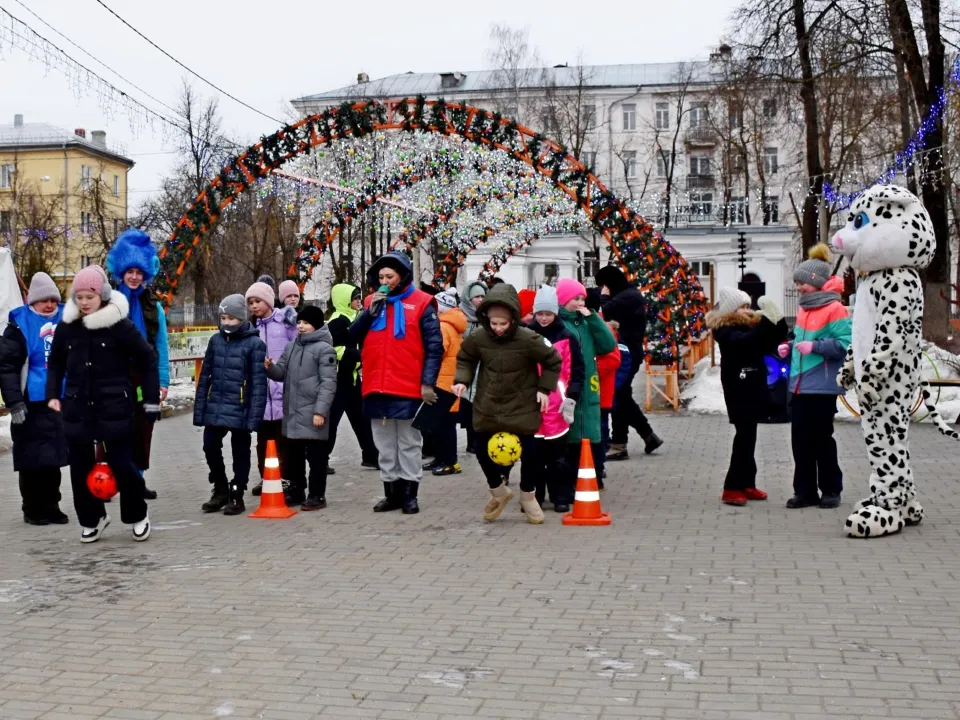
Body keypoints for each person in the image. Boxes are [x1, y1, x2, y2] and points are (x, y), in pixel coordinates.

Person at [45, 265, 159, 543]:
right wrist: (53, 394)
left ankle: (137, 515)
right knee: (79, 467)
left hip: (114, 406)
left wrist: (152, 400)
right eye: (79, 297)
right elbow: (56, 361)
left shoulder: (119, 325)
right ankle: (92, 518)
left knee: (123, 464)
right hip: (77, 406)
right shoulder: (67, 327)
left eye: (89, 297)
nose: (83, 303)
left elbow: (148, 359)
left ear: (103, 296)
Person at [453, 283, 562, 524]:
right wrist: (462, 380)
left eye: (504, 324)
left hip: (522, 404)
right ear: (487, 319)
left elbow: (553, 360)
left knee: (531, 454)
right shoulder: (479, 337)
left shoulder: (529, 338)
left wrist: (545, 388)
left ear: (513, 318)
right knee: (480, 449)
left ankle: (528, 496)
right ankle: (499, 492)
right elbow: (465, 358)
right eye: (494, 324)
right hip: (488, 403)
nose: (499, 329)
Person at [350, 251, 443, 514]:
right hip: (376, 385)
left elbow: (435, 347)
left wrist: (428, 383)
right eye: (381, 276)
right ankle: (390, 493)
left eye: (390, 276)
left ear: (402, 276)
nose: (385, 281)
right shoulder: (371, 302)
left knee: (409, 443)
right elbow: (352, 335)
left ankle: (410, 494)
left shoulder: (423, 303)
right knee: (384, 445)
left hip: (409, 386)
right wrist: (369, 312)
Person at [778, 244, 852, 510]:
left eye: (802, 284)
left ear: (817, 283)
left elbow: (845, 344)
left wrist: (816, 347)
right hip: (799, 386)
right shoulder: (803, 309)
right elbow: (799, 339)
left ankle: (831, 489)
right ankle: (804, 491)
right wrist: (789, 347)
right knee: (800, 441)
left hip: (821, 386)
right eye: (796, 283)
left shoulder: (835, 309)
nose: (798, 288)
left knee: (822, 440)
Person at [105, 228, 170, 501]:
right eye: (130, 271)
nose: (134, 277)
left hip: (143, 375)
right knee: (112, 428)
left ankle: (137, 480)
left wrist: (163, 380)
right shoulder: (107, 301)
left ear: (146, 273)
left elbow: (161, 344)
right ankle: (110, 479)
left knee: (143, 428)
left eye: (139, 272)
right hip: (113, 374)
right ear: (121, 270)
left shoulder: (152, 305)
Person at [706, 288, 787, 506]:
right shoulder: (725, 329)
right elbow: (747, 342)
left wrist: (777, 320)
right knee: (744, 436)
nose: (747, 310)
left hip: (753, 385)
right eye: (742, 306)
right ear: (732, 310)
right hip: (738, 388)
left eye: (747, 305)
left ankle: (747, 482)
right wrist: (766, 324)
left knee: (749, 436)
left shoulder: (749, 325)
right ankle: (731, 487)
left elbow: (771, 339)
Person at [0, 272, 69, 525]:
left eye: (53, 299)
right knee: (32, 459)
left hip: (58, 401)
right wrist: (15, 402)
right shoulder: (19, 325)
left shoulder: (68, 319)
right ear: (32, 301)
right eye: (43, 300)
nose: (49, 304)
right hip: (30, 403)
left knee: (54, 458)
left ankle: (53, 505)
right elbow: (7, 367)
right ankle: (32, 508)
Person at [194, 294, 268, 515]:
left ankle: (237, 491)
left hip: (241, 407)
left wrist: (254, 416)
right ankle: (220, 488)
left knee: (240, 452)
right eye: (223, 317)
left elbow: (257, 384)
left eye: (231, 318)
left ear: (242, 319)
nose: (226, 323)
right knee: (210, 445)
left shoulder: (255, 344)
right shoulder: (215, 341)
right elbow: (205, 375)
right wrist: (200, 410)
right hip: (216, 405)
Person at [265, 305, 337, 510]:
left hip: (314, 414)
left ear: (316, 325)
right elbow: (281, 374)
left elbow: (328, 383)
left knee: (316, 459)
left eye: (306, 323)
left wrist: (320, 411)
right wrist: (270, 368)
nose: (301, 326)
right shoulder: (292, 346)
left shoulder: (325, 349)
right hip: (293, 413)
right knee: (293, 457)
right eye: (299, 323)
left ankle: (317, 495)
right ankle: (296, 491)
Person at [595, 265, 663, 459]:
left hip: (626, 355)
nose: (602, 289)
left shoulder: (627, 297)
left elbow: (604, 312)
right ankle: (645, 437)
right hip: (626, 353)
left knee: (618, 396)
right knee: (621, 395)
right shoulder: (628, 294)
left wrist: (604, 296)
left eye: (603, 285)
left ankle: (621, 444)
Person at [527, 284, 584, 512]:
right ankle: (535, 497)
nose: (543, 318)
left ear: (555, 313)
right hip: (531, 404)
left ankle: (560, 495)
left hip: (557, 405)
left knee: (558, 457)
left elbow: (576, 370)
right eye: (539, 313)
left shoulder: (567, 337)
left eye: (547, 314)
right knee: (533, 458)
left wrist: (572, 398)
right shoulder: (527, 336)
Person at [556, 278, 617, 488]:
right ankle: (569, 480)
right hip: (567, 386)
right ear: (564, 300)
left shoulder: (587, 322)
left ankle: (595, 475)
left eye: (582, 298)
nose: (580, 302)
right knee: (569, 434)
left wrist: (594, 318)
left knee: (592, 433)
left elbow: (608, 344)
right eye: (576, 298)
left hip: (589, 387)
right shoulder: (558, 323)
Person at [246, 280, 297, 497]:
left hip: (281, 387)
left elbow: (296, 347)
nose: (254, 306)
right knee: (263, 441)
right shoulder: (251, 328)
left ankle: (285, 478)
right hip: (260, 392)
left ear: (267, 300)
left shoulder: (285, 322)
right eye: (250, 303)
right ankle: (266, 476)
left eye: (257, 301)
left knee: (283, 439)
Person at [326, 284, 379, 470]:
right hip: (339, 379)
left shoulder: (356, 317)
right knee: (331, 421)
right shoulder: (336, 321)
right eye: (355, 298)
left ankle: (371, 456)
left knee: (362, 419)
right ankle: (321, 459)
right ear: (345, 300)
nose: (358, 301)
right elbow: (334, 349)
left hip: (354, 378)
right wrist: (359, 355)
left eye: (359, 298)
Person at [423, 288, 466, 476]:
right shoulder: (451, 325)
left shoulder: (442, 327)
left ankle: (449, 461)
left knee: (445, 425)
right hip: (449, 380)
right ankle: (442, 459)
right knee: (443, 423)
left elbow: (436, 352)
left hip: (443, 381)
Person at [456, 281, 487, 454]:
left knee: (479, 403)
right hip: (465, 365)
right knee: (467, 405)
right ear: (469, 298)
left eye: (483, 296)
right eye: (477, 297)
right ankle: (470, 441)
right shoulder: (460, 315)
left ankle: (477, 439)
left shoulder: (487, 316)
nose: (480, 300)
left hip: (482, 365)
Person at [596, 320, 625, 466]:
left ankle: (600, 460)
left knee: (601, 426)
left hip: (601, 393)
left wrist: (590, 369)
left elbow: (613, 360)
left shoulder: (604, 331)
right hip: (597, 392)